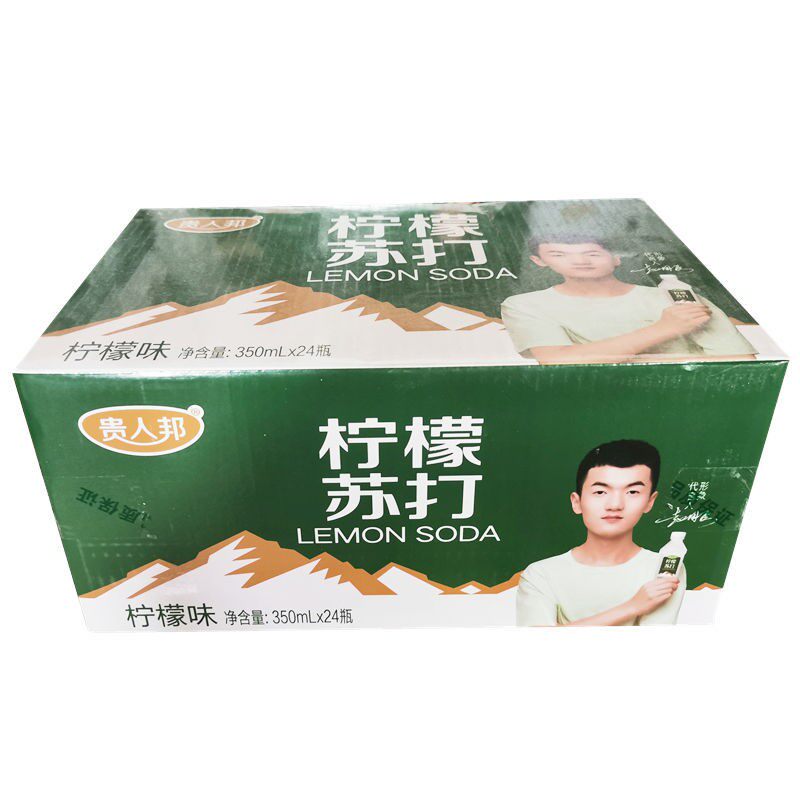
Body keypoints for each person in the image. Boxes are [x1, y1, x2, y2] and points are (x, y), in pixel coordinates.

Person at [501, 234, 757, 364]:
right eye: (559, 254)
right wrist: (664, 329)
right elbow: (556, 360)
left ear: (616, 257)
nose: (579, 261)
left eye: (592, 253)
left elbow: (738, 361)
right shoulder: (525, 304)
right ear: (539, 261)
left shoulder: (674, 294)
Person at [516, 439, 686, 626]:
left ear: (650, 502)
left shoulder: (663, 568)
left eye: (632, 492)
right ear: (577, 502)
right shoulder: (541, 574)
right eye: (600, 492)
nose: (615, 505)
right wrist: (632, 607)